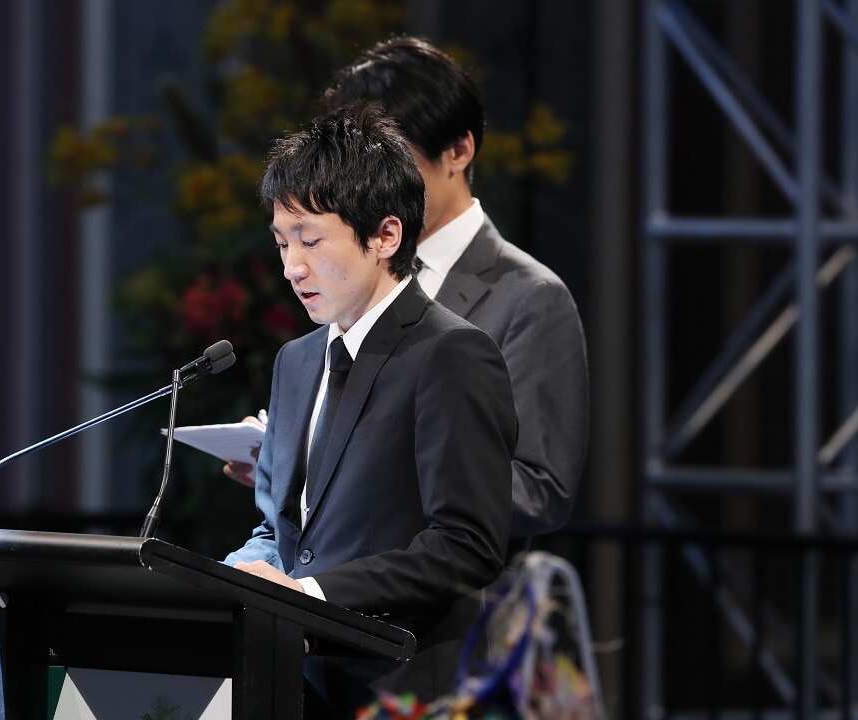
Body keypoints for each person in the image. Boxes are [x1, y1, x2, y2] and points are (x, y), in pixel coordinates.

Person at [225, 36, 588, 549]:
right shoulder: (341, 271)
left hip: (452, 602)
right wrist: (297, 462)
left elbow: (541, 489)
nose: (371, 173)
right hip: (324, 592)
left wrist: (367, 475)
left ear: (458, 151)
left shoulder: (529, 297)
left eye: (392, 152)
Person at [224, 105, 516, 713]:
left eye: (309, 239)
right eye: (281, 242)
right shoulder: (296, 361)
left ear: (385, 236)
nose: (291, 267)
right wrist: (232, 576)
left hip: (403, 688)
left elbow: (466, 545)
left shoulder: (451, 353)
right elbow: (281, 533)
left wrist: (307, 592)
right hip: (289, 684)